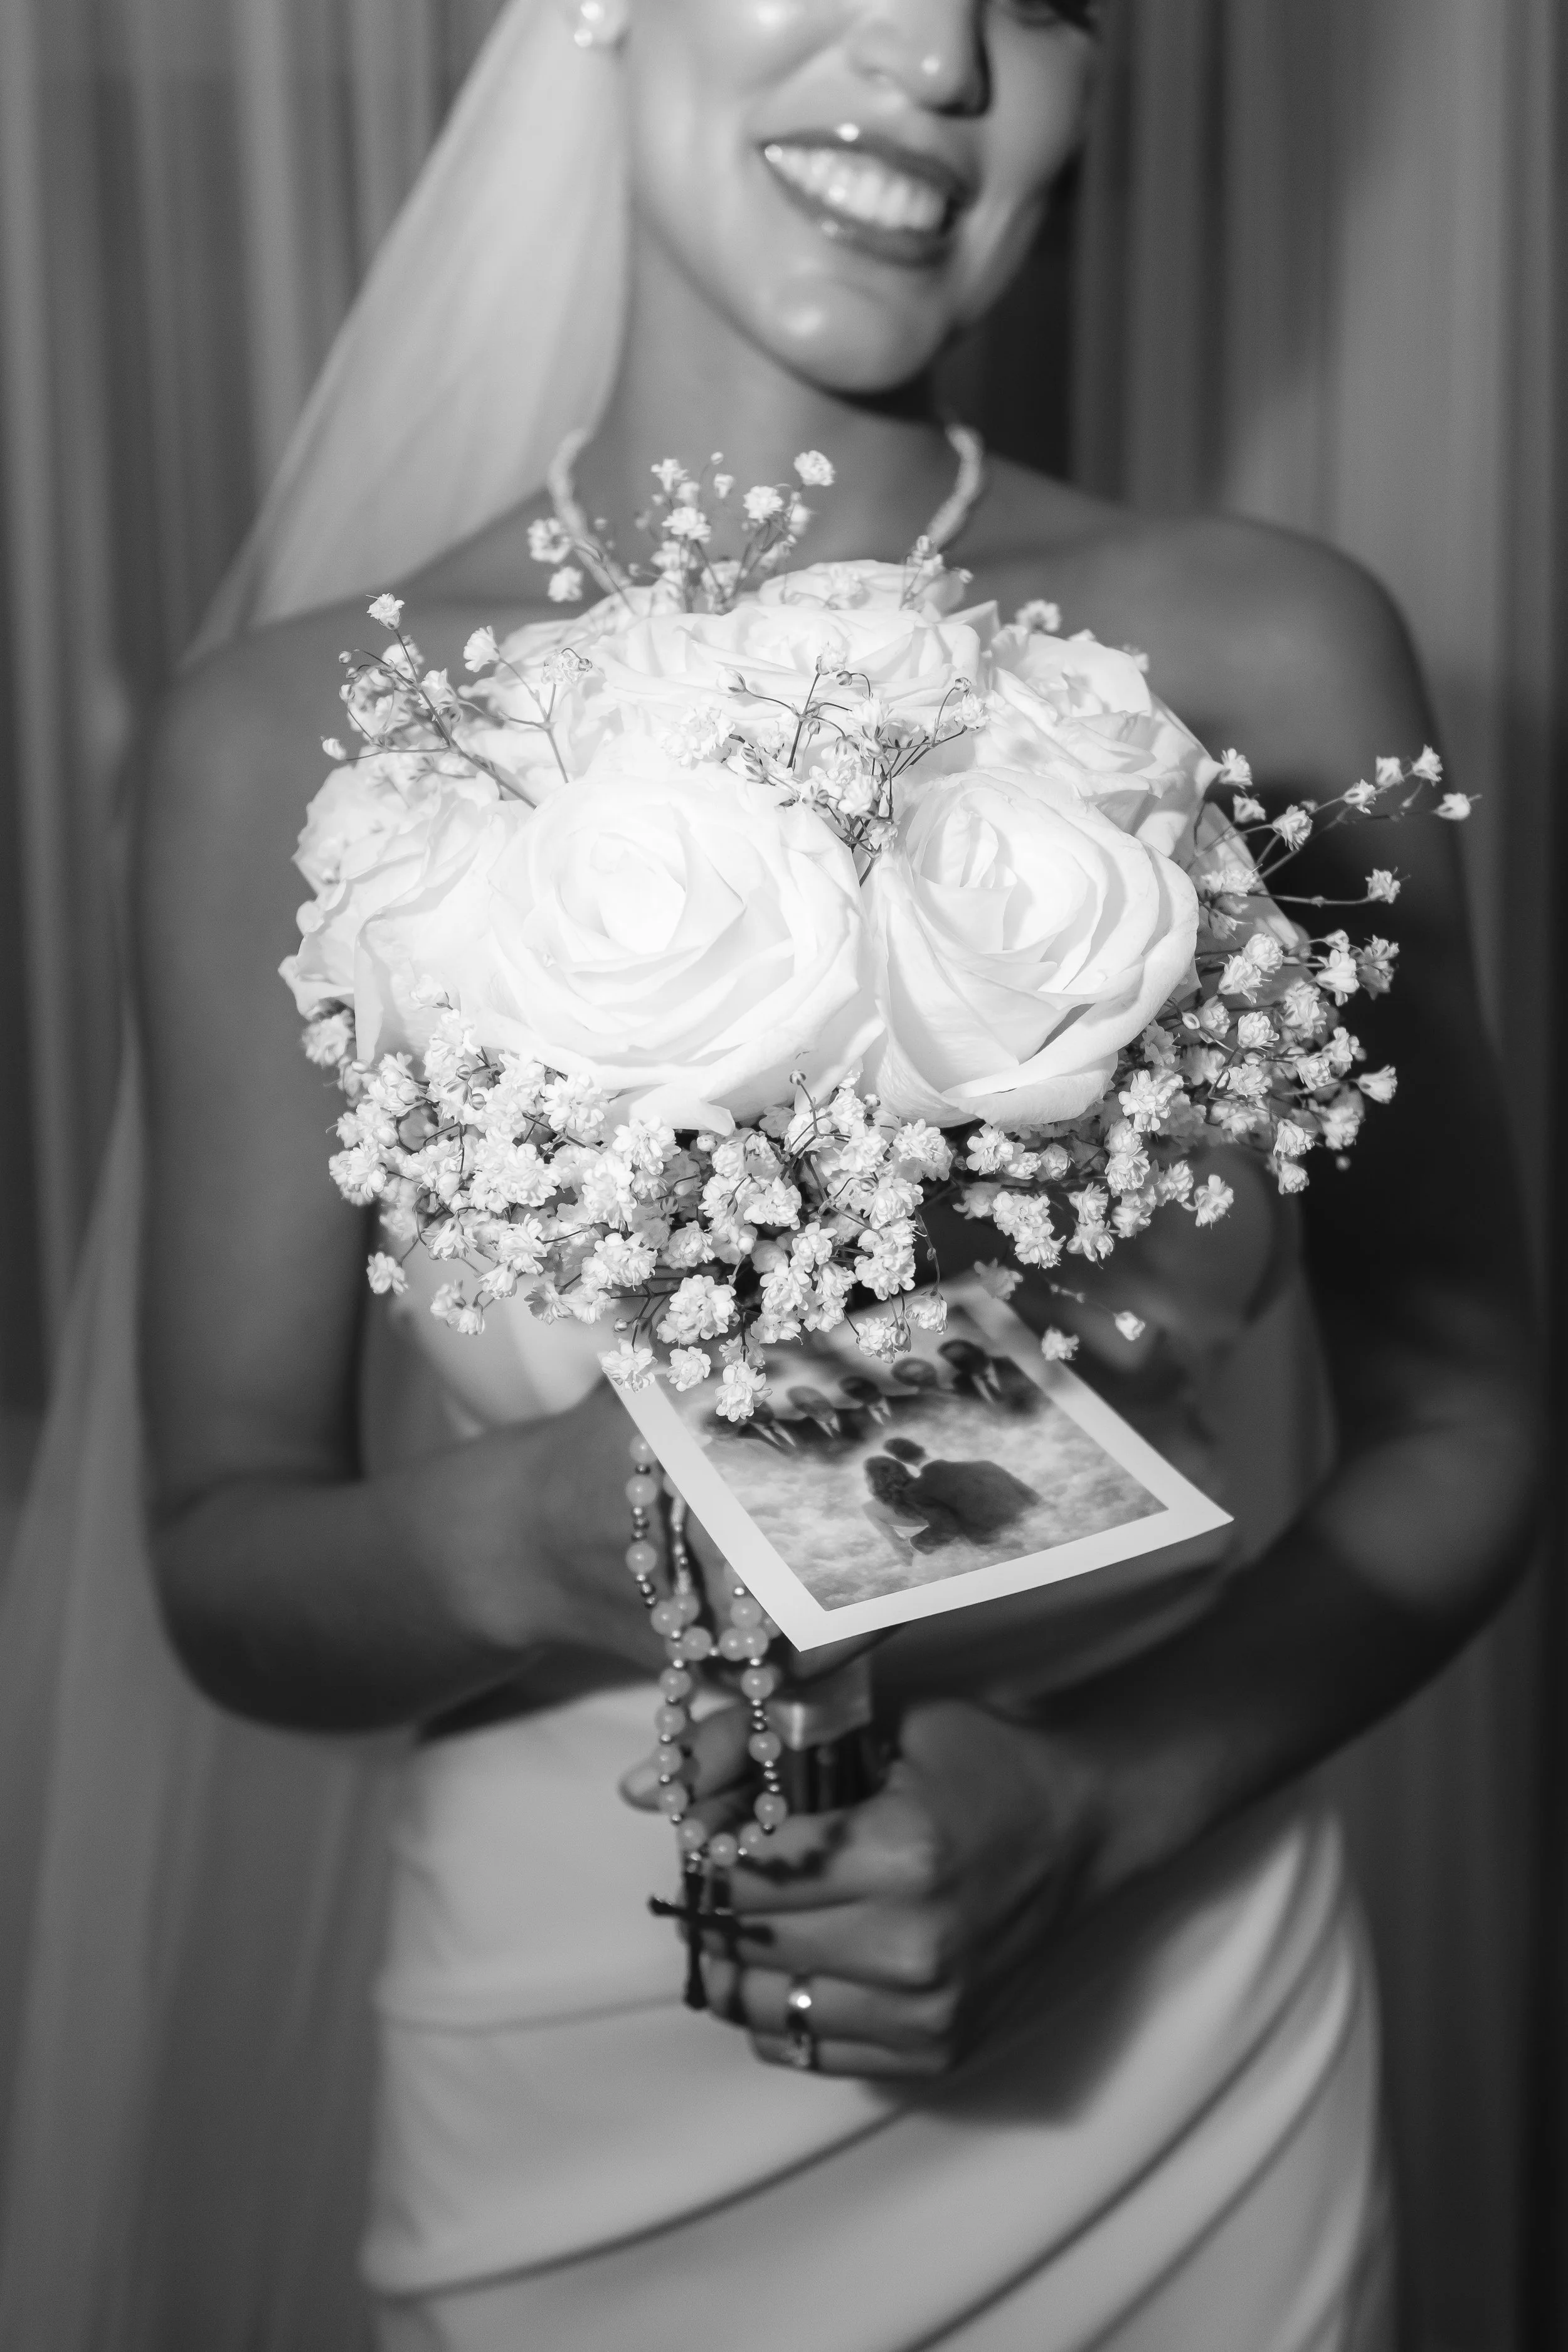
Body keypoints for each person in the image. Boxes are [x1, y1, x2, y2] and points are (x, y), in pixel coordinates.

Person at [0, 3, 1535, 2348]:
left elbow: (1465, 1418)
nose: (932, 59)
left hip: (1168, 2017)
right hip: (571, 2029)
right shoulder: (281, 739)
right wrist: (522, 1530)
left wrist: (1107, 1805)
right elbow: (226, 1556)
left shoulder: (1260, 648)